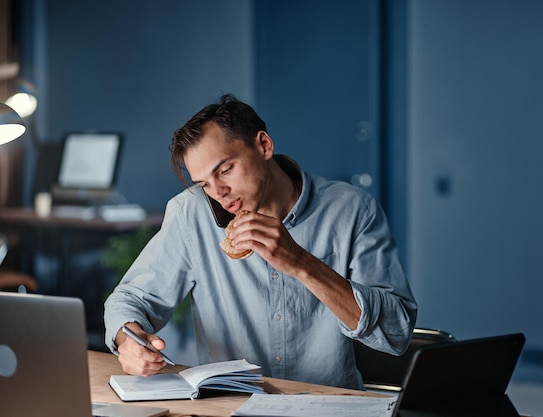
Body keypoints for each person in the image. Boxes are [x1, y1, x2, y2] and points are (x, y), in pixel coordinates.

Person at [104, 93, 417, 389]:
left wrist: (301, 264)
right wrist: (128, 340)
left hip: (331, 405)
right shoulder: (191, 213)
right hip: (234, 405)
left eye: (225, 170)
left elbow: (396, 333)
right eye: (204, 183)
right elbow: (130, 299)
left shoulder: (352, 209)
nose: (218, 192)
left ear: (264, 145)